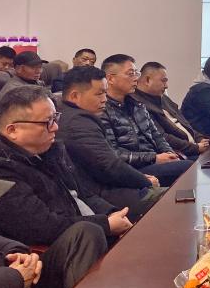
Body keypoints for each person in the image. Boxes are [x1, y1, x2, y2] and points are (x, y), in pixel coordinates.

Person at [0, 86, 128, 288]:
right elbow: (40, 226)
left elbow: (83, 194)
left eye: (55, 118)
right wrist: (106, 224)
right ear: (12, 130)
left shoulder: (50, 151)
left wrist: (113, 214)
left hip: (74, 230)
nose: (56, 127)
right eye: (47, 122)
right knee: (87, 232)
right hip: (39, 256)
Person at [57, 66, 162, 216]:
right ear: (74, 96)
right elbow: (109, 166)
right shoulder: (78, 122)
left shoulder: (71, 115)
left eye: (105, 93)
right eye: (99, 94)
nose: (104, 99)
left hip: (105, 189)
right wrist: (145, 181)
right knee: (173, 198)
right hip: (104, 196)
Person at [0, 178, 108, 288]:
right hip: (8, 285)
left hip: (14, 278)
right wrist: (16, 277)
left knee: (86, 232)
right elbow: (42, 226)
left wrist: (14, 253)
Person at [100, 55, 192, 187]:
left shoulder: (137, 104)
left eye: (136, 73)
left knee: (193, 164)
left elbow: (157, 135)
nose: (136, 78)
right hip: (133, 169)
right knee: (189, 167)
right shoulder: (103, 109)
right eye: (130, 74)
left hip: (153, 160)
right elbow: (114, 154)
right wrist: (154, 158)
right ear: (110, 79)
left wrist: (169, 153)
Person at [132, 62, 209, 158]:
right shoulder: (137, 104)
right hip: (179, 153)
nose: (166, 86)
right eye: (163, 81)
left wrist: (199, 138)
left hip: (193, 147)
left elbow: (184, 122)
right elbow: (163, 137)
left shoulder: (163, 97)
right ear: (148, 80)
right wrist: (195, 148)